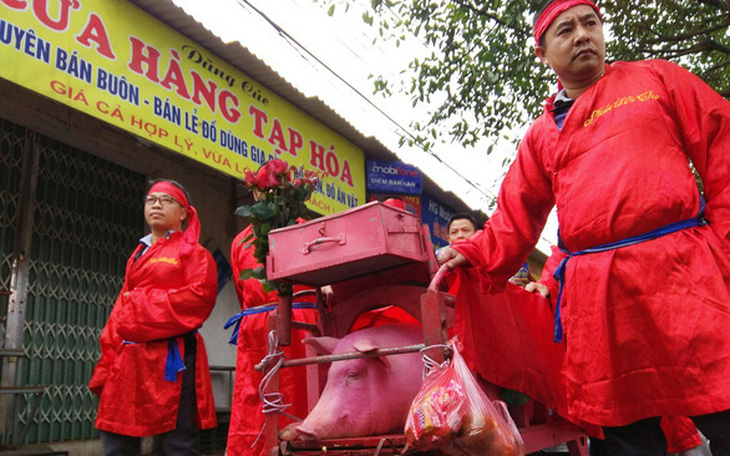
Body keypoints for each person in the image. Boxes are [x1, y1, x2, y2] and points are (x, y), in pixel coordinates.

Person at [438, 0, 730, 453]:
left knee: (723, 395)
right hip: (599, 300)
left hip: (682, 275)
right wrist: (473, 252)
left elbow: (722, 149)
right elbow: (514, 216)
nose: (582, 36)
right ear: (543, 52)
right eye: (566, 30)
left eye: (590, 24)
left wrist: (721, 245)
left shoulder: (657, 78)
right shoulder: (540, 135)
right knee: (625, 434)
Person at [89, 179, 218, 455]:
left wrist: (137, 305)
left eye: (166, 200)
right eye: (151, 199)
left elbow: (198, 301)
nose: (156, 204)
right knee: (116, 434)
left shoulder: (196, 254)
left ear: (183, 212)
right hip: (129, 358)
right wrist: (107, 357)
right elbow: (119, 312)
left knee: (176, 442)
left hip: (172, 357)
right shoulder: (138, 253)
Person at [226, 218, 318, 456]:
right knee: (255, 405)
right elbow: (242, 291)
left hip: (301, 325)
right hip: (257, 331)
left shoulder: (307, 229)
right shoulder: (240, 241)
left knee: (304, 399)